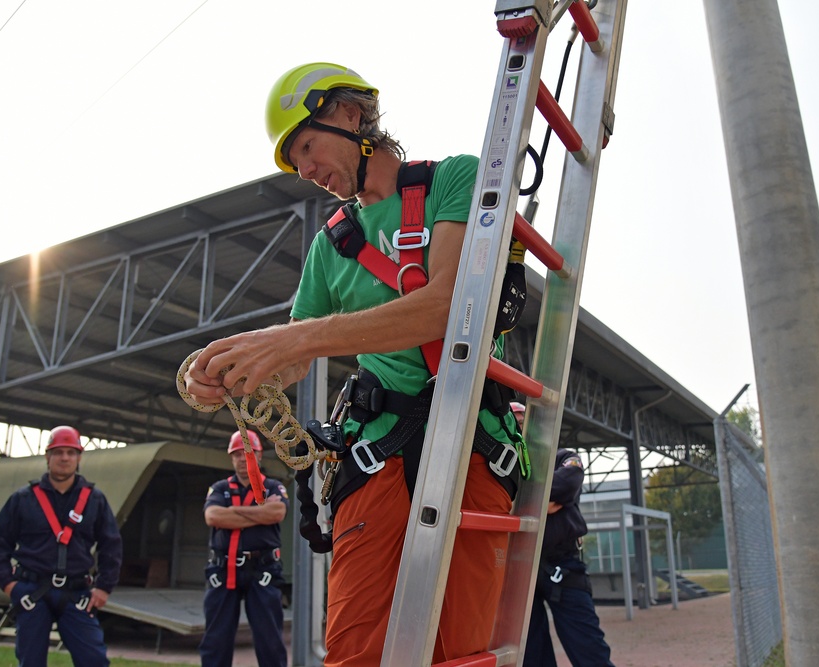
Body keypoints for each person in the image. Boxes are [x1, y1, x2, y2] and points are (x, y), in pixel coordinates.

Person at [184, 62, 521, 666]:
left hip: (472, 442)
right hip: (378, 450)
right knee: (353, 649)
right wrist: (230, 373)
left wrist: (292, 344)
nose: (306, 172)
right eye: (294, 164)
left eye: (306, 147)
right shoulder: (331, 242)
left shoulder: (455, 180)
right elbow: (290, 357)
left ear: (349, 114)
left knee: (462, 650)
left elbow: (447, 306)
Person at [0, 425, 123, 667]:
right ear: (48, 457)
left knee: (93, 661)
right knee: (31, 663)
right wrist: (10, 586)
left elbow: (111, 546)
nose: (65, 458)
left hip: (77, 593)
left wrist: (103, 588)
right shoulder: (23, 499)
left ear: (79, 458)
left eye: (71, 453)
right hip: (31, 592)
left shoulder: (94, 500)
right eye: (58, 452)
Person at [521, 430, 615, 667]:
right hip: (519, 569)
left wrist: (522, 498)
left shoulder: (565, 457)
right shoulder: (507, 461)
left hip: (563, 566)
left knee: (590, 652)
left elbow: (567, 482)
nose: (522, 429)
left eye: (525, 422)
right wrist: (548, 503)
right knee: (531, 655)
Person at [200, 430, 289, 667]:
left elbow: (277, 513)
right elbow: (213, 517)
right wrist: (260, 514)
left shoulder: (272, 487)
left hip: (263, 570)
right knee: (216, 640)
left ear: (259, 456)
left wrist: (231, 513)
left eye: (248, 452)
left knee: (269, 639)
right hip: (223, 570)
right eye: (237, 454)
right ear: (231, 458)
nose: (242, 458)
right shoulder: (219, 488)